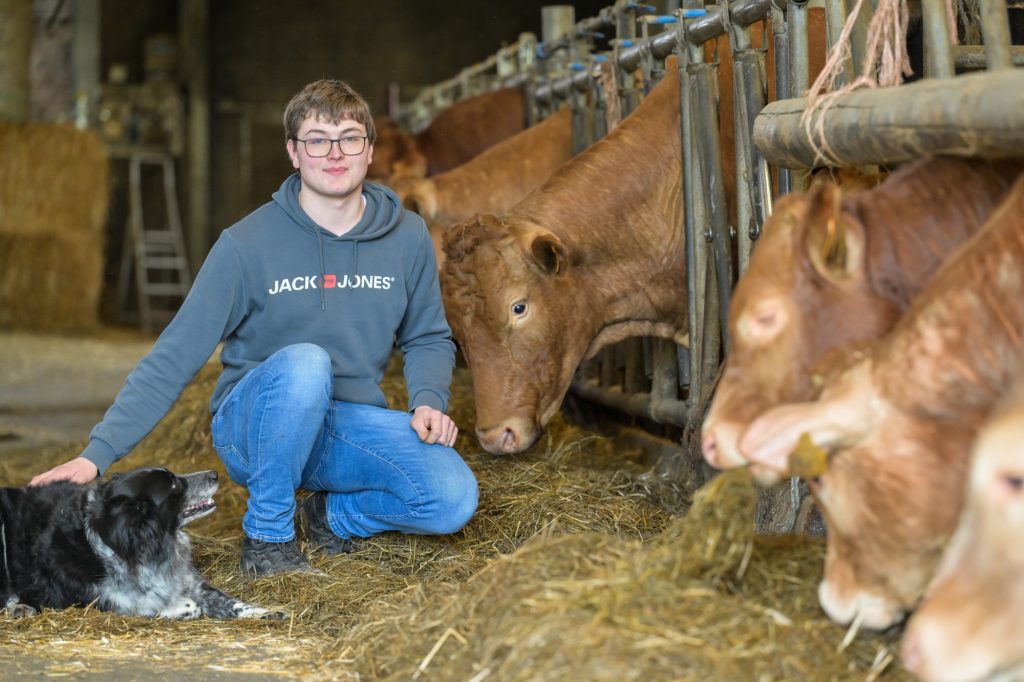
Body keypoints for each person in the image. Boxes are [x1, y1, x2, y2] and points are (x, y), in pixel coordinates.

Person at [31, 79, 479, 577]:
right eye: (317, 140)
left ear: (370, 150)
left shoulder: (407, 236)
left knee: (451, 498)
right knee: (306, 362)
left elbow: (427, 336)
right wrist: (96, 456)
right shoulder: (245, 244)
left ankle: (330, 517)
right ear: (293, 152)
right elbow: (174, 356)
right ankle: (269, 538)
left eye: (349, 138)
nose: (335, 153)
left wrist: (428, 400)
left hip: (345, 425)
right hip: (254, 429)